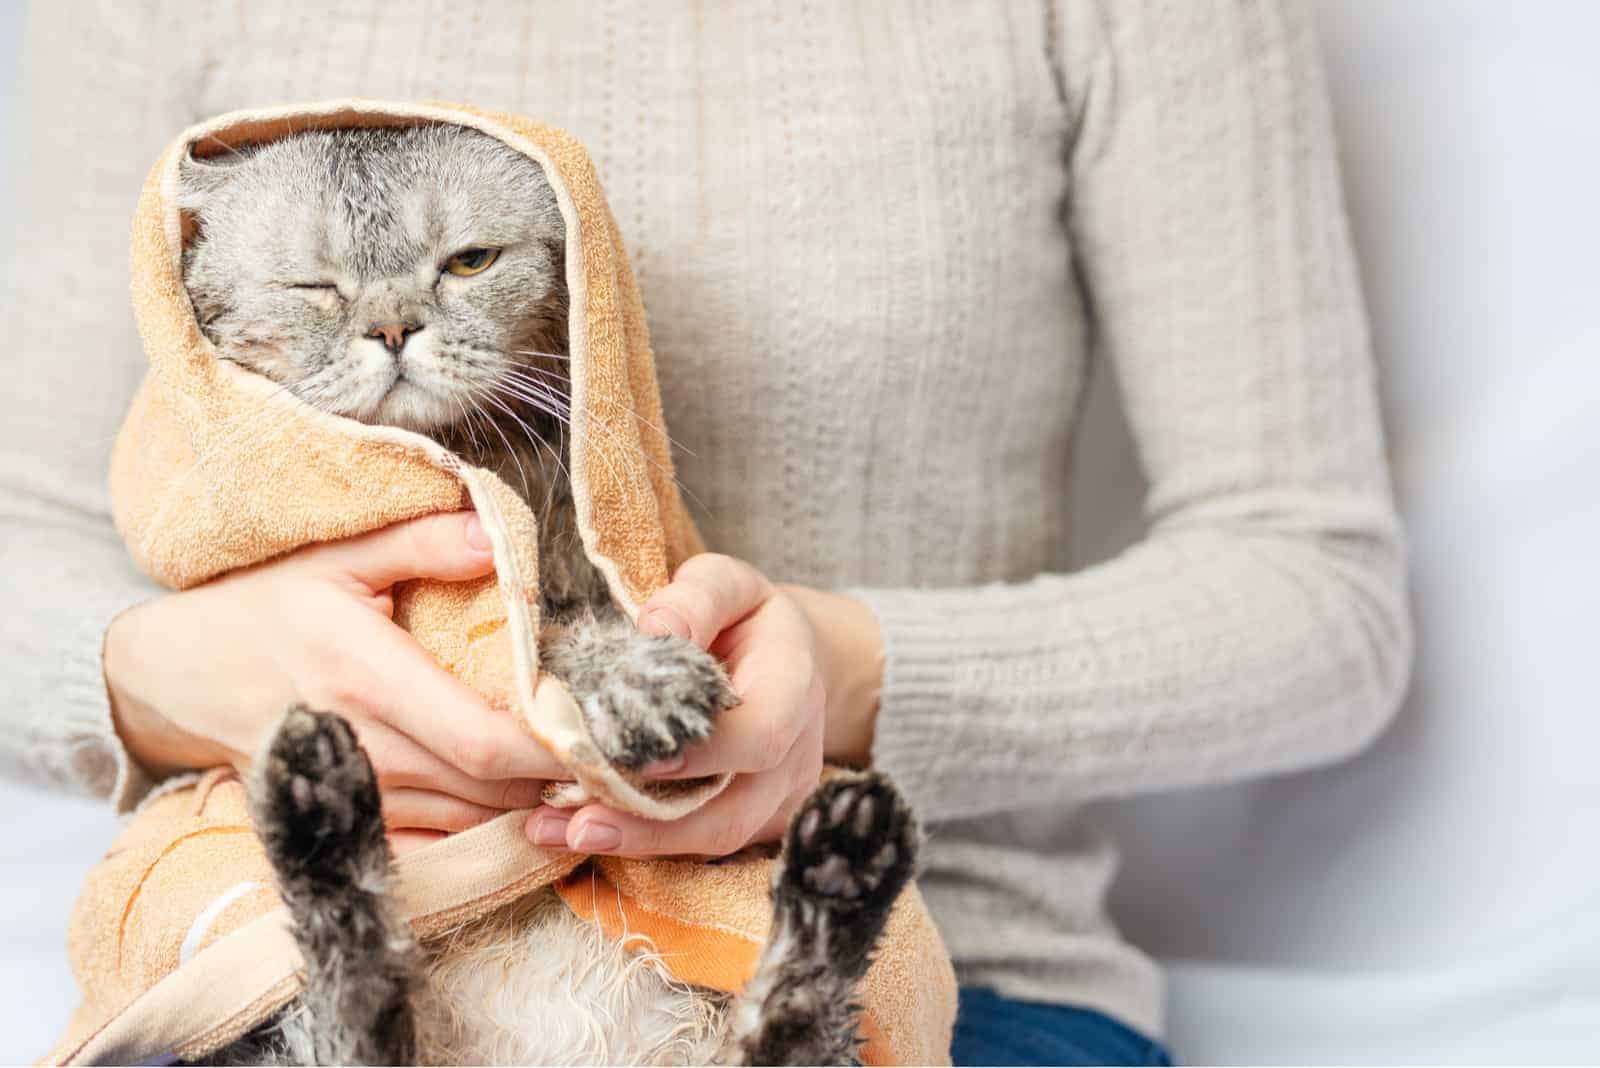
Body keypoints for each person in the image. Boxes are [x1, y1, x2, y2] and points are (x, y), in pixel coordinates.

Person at [0, 3, 1410, 1064]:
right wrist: (178, 674)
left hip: (947, 963)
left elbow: (1318, 598)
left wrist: (837, 680)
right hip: (295, 917)